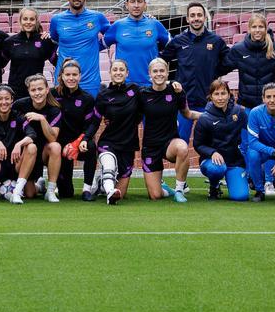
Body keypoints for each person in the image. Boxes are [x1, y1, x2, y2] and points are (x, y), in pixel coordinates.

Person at [160, 2, 226, 141]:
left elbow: (230, 61)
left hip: (209, 102)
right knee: (180, 143)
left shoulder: (216, 41)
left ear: (204, 17)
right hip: (184, 102)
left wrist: (215, 71)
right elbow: (162, 60)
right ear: (187, 19)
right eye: (193, 15)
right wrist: (168, 81)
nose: (196, 18)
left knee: (212, 142)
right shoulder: (178, 41)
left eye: (199, 15)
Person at [81, 59, 142, 205]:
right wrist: (86, 138)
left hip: (128, 144)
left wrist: (171, 85)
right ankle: (109, 193)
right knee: (109, 165)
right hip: (109, 141)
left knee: (122, 193)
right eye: (115, 70)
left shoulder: (136, 90)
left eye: (121, 70)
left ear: (127, 73)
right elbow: (95, 120)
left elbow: (154, 95)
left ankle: (102, 182)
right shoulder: (103, 95)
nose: (118, 72)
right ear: (110, 73)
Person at [139, 58, 199, 202]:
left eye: (162, 71)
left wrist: (210, 115)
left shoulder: (176, 91)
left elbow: (188, 113)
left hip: (169, 143)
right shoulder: (142, 94)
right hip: (150, 146)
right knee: (155, 196)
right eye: (155, 71)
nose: (158, 74)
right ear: (149, 74)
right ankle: (164, 189)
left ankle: (179, 190)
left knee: (183, 147)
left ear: (167, 73)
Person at [48, 0, 111, 96]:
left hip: (90, 81)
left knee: (90, 114)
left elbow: (112, 34)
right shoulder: (56, 20)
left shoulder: (97, 17)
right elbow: (54, 40)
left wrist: (98, 45)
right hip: (63, 81)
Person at [47, 61, 99, 202]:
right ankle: (43, 182)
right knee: (66, 194)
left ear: (80, 76)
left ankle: (87, 189)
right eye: (68, 74)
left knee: (91, 146)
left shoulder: (87, 98)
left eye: (74, 75)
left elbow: (92, 124)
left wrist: (81, 141)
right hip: (60, 146)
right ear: (62, 76)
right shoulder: (52, 94)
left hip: (78, 142)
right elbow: (29, 102)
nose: (71, 78)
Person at [192, 79, 250, 202]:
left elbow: (253, 130)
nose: (220, 98)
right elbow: (198, 145)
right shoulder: (204, 118)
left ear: (229, 95)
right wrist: (212, 152)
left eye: (223, 93)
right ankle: (214, 186)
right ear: (211, 97)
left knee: (240, 196)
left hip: (234, 162)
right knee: (217, 169)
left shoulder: (239, 112)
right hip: (212, 162)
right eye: (216, 94)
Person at [11, 73, 63, 202]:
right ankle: (39, 186)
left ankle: (50, 191)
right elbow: (4, 116)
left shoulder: (54, 109)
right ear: (28, 91)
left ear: (47, 90)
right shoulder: (19, 105)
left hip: (44, 152)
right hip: (26, 153)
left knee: (56, 147)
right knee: (30, 194)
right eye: (33, 90)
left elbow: (52, 138)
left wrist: (42, 119)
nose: (37, 93)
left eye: (40, 89)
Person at [103, 0, 170, 89]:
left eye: (139, 1)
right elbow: (98, 46)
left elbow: (172, 46)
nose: (136, 5)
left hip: (151, 85)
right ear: (126, 5)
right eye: (132, 2)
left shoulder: (155, 24)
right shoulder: (117, 26)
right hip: (124, 86)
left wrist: (159, 58)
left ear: (145, 4)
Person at [222, 13, 275, 110]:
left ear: (265, 29)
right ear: (249, 29)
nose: (257, 30)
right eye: (254, 27)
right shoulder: (239, 49)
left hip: (269, 105)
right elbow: (222, 68)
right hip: (246, 105)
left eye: (260, 27)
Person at [3, 7, 57, 98]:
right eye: (25, 19)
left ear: (36, 21)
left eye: (32, 19)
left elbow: (57, 62)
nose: (28, 22)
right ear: (20, 21)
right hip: (15, 90)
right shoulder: (10, 41)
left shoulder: (44, 41)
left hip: (37, 91)